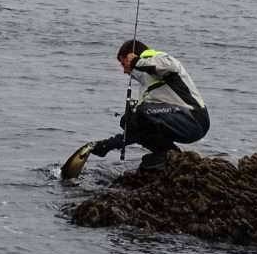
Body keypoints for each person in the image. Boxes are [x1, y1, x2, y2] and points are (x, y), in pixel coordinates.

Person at [89, 39, 210, 170]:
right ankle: (168, 154)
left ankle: (167, 155)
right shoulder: (146, 82)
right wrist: (108, 145)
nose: (124, 71)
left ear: (131, 57)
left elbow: (171, 66)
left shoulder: (157, 57)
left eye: (123, 64)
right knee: (129, 121)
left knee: (142, 112)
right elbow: (137, 129)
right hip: (179, 120)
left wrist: (136, 62)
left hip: (194, 119)